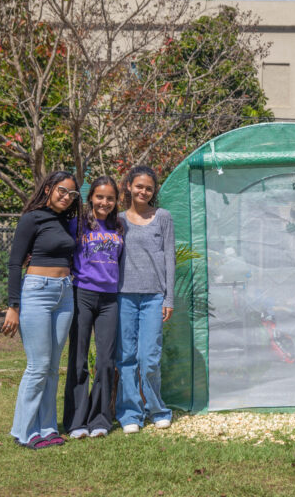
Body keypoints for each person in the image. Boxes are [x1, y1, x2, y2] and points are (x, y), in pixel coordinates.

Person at [1, 171, 81, 449]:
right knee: (37, 366)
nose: (66, 197)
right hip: (37, 291)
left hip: (65, 293)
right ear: (48, 188)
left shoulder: (67, 220)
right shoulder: (31, 218)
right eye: (62, 190)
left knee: (51, 368)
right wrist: (13, 306)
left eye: (72, 195)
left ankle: (47, 428)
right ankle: (24, 431)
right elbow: (13, 264)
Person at [63, 176, 124, 439]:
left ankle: (100, 419)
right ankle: (76, 421)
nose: (105, 202)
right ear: (91, 198)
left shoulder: (119, 227)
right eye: (100, 197)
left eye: (110, 198)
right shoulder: (76, 225)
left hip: (109, 299)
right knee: (78, 359)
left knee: (106, 361)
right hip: (82, 295)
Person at [115, 166, 175, 434]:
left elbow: (170, 258)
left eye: (149, 188)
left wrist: (168, 298)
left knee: (149, 357)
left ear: (154, 191)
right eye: (139, 186)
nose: (143, 191)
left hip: (154, 297)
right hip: (123, 296)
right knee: (126, 357)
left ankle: (157, 410)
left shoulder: (163, 217)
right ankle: (130, 414)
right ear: (129, 186)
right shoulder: (117, 220)